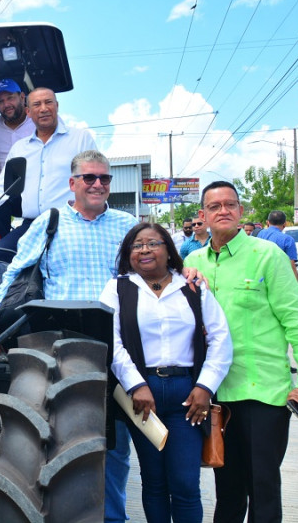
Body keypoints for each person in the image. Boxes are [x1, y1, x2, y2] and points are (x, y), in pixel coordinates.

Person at [0, 150, 137, 523]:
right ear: (73, 183)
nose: (98, 184)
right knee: (58, 431)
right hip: (61, 341)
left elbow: (157, 268)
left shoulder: (127, 225)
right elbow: (16, 271)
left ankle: (111, 516)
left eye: (104, 178)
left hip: (117, 340)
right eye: (89, 178)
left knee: (115, 438)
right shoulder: (50, 221)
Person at [184, 181, 298, 523]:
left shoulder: (267, 256)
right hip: (215, 393)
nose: (223, 211)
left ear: (241, 211)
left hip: (263, 393)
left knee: (263, 489)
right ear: (203, 215)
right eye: (214, 206)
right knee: (227, 490)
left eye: (230, 204)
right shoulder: (193, 261)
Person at [99, 223, 232, 523]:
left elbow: (220, 338)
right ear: (128, 253)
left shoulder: (192, 287)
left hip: (188, 397)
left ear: (168, 250)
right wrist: (135, 385)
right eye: (137, 245)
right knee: (154, 482)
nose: (144, 250)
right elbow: (112, 342)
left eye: (153, 243)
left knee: (185, 484)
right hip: (141, 398)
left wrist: (205, 387)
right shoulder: (118, 288)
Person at [0, 87, 97, 262]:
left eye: (48, 102)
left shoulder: (80, 139)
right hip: (32, 225)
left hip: (71, 224)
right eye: (37, 104)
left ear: (57, 106)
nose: (43, 108)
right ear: (28, 112)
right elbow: (1, 191)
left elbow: (95, 183)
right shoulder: (19, 149)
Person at [0, 78, 35, 239]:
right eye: (0, 101)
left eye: (10, 98)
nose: (6, 104)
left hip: (36, 190)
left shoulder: (36, 119)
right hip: (9, 191)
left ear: (22, 97)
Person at [256, 210, 298, 280]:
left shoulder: (259, 234)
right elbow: (291, 264)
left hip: (260, 277)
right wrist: (295, 283)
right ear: (285, 224)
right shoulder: (288, 239)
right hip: (279, 278)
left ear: (267, 222)